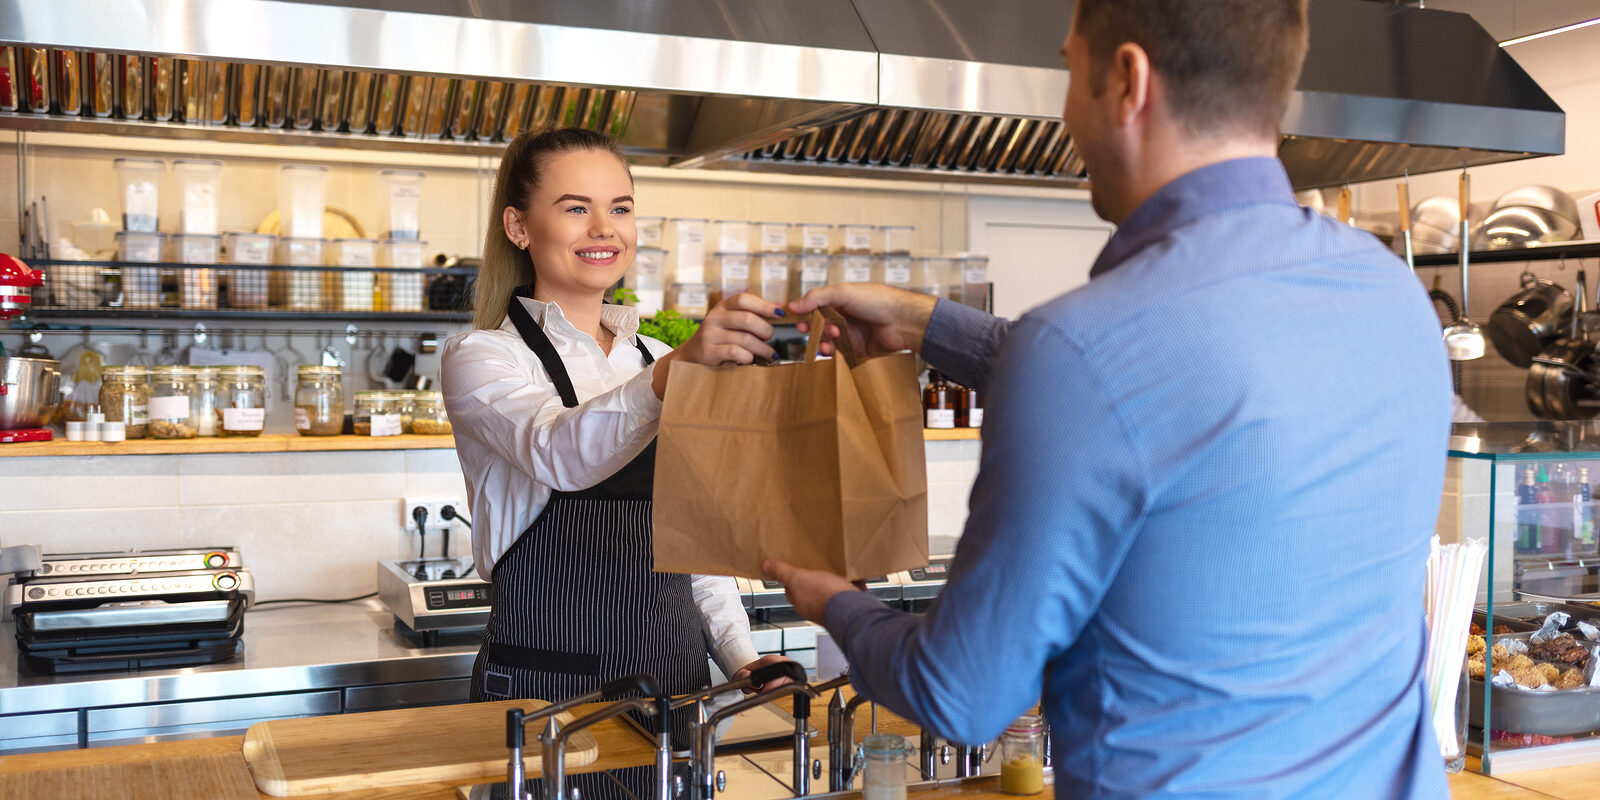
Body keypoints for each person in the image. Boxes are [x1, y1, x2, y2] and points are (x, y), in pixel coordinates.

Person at [766, 2, 1453, 798]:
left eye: (1068, 71)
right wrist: (930, 324)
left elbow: (958, 693)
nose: (1064, 113)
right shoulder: (1390, 293)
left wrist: (836, 602)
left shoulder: (1081, 351)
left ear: (1127, 80)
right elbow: (1170, 395)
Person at [441, 128, 792, 755]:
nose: (604, 228)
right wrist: (672, 377)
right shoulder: (483, 358)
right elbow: (559, 452)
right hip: (544, 696)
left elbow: (695, 544)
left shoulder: (656, 357)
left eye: (620, 208)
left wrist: (743, 658)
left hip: (673, 690)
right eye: (576, 208)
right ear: (519, 227)